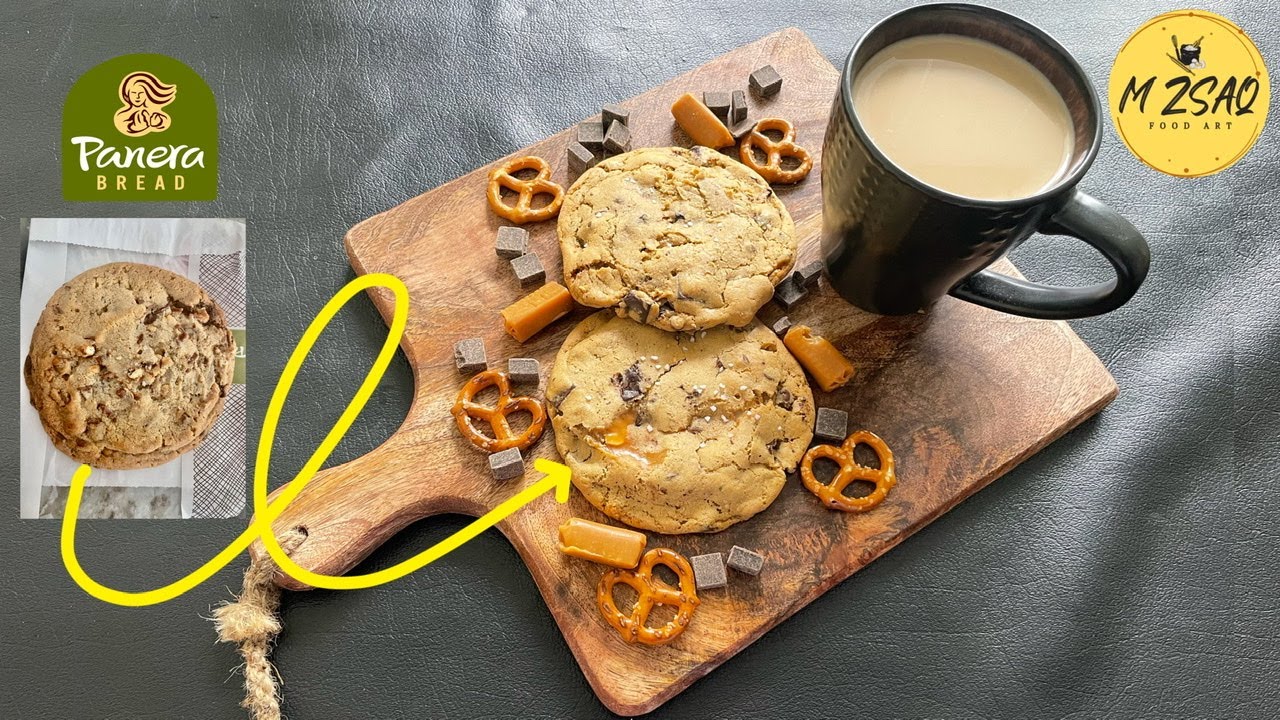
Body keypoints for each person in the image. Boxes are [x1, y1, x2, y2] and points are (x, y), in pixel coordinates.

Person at [113, 71, 176, 136]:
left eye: (141, 93)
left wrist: (157, 122)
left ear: (147, 94)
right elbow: (126, 127)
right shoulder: (121, 117)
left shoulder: (155, 115)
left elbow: (164, 123)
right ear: (127, 95)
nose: (137, 97)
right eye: (133, 93)